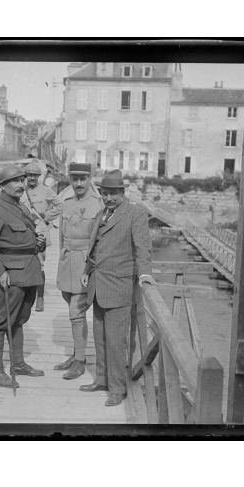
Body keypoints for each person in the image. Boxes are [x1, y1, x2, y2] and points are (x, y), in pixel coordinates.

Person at [80, 170, 154, 406]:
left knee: (116, 342)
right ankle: (102, 379)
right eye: (105, 194)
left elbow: (142, 248)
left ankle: (118, 388)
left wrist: (145, 274)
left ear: (122, 192)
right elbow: (95, 248)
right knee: (100, 337)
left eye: (113, 194)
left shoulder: (135, 214)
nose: (109, 198)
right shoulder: (102, 214)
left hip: (120, 287)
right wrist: (85, 272)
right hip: (98, 285)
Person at [0, 164, 46, 388]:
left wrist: (37, 242)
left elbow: (21, 236)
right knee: (1, 323)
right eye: (14, 181)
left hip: (29, 273)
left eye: (22, 180)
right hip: (11, 277)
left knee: (19, 319)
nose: (20, 184)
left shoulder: (19, 207)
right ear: (2, 186)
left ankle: (18, 364)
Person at [55, 162, 103, 379]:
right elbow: (61, 237)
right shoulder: (66, 204)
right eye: (74, 179)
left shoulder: (99, 205)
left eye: (83, 179)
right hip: (67, 262)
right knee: (73, 309)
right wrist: (61, 258)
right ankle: (76, 353)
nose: (78, 183)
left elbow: (100, 240)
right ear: (70, 180)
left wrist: (91, 267)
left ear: (89, 179)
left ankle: (80, 361)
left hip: (85, 263)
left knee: (76, 311)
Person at [20, 161, 62, 312]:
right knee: (24, 264)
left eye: (34, 175)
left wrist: (46, 215)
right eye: (29, 175)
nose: (32, 178)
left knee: (39, 266)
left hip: (40, 233)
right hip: (23, 233)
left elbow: (59, 205)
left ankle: (40, 297)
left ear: (39, 177)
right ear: (26, 176)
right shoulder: (20, 191)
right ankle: (25, 297)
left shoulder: (45, 191)